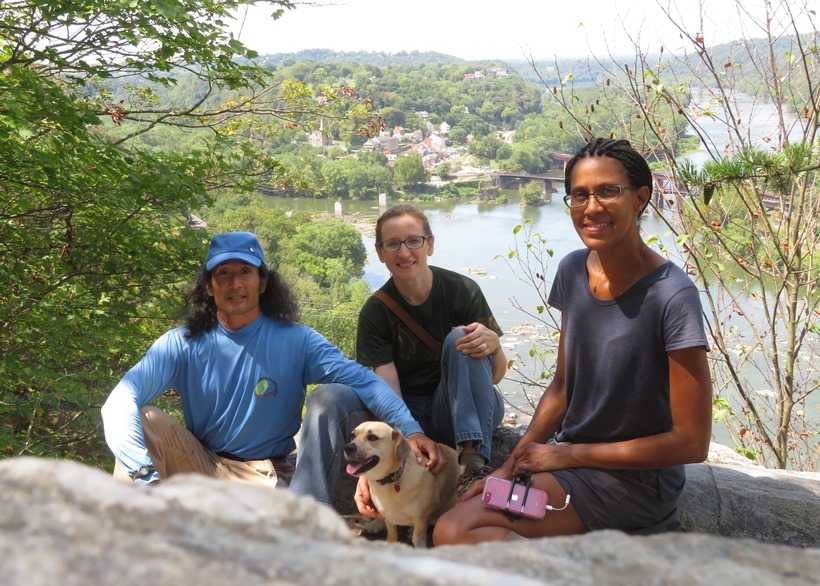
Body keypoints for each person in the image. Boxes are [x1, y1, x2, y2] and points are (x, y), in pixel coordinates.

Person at [432, 138, 713, 544]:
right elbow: (563, 387)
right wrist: (507, 468)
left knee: (457, 531)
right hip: (564, 464)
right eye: (579, 195)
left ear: (641, 199)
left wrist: (566, 455)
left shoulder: (671, 295)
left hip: (631, 481)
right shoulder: (572, 270)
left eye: (608, 191)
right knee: (456, 523)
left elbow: (692, 442)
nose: (592, 207)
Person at [101, 231, 444, 506]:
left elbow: (364, 382)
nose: (236, 284)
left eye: (246, 272)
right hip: (202, 461)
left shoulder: (298, 341)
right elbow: (120, 401)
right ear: (209, 286)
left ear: (262, 283)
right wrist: (145, 474)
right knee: (145, 418)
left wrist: (409, 430)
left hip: (264, 474)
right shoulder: (181, 343)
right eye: (224, 274)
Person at [355, 204, 508, 518]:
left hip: (462, 409)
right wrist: (407, 437)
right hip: (413, 415)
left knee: (460, 337)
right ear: (380, 252)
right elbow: (389, 393)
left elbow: (493, 377)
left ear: (430, 244)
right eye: (392, 244)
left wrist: (495, 346)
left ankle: (472, 465)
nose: (405, 252)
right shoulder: (376, 312)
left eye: (413, 241)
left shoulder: (461, 291)